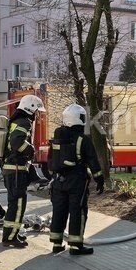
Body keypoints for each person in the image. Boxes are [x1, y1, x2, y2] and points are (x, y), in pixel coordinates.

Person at [48, 104, 104, 255]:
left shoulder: (57, 138)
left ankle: (57, 244)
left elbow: (50, 160)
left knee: (59, 210)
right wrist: (100, 180)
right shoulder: (83, 139)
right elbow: (93, 161)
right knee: (77, 211)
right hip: (77, 181)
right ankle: (75, 245)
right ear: (81, 119)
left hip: (59, 181)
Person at [2, 95, 46, 247]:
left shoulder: (16, 120)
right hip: (16, 169)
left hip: (11, 168)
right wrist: (29, 149)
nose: (37, 114)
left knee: (14, 204)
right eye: (36, 111)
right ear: (31, 108)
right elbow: (16, 141)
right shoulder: (24, 121)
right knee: (18, 204)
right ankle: (11, 237)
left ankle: (9, 235)